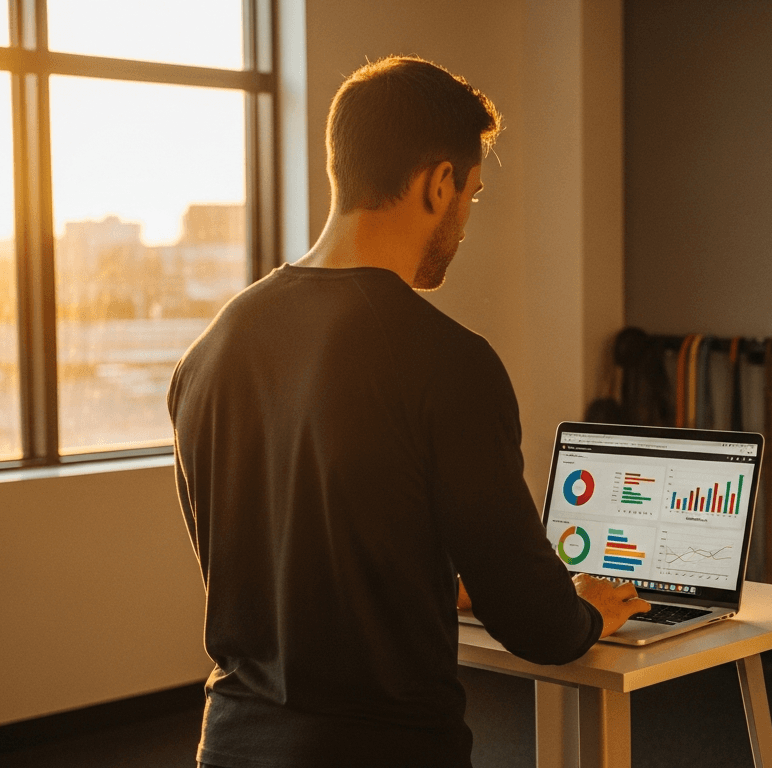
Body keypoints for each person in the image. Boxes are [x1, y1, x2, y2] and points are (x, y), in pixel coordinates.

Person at [168, 55, 650, 768]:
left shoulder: (212, 349)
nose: (465, 221)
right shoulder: (449, 362)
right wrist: (585, 610)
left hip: (232, 743)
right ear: (439, 183)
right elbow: (536, 623)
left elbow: (276, 564)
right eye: (473, 196)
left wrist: (427, 588)